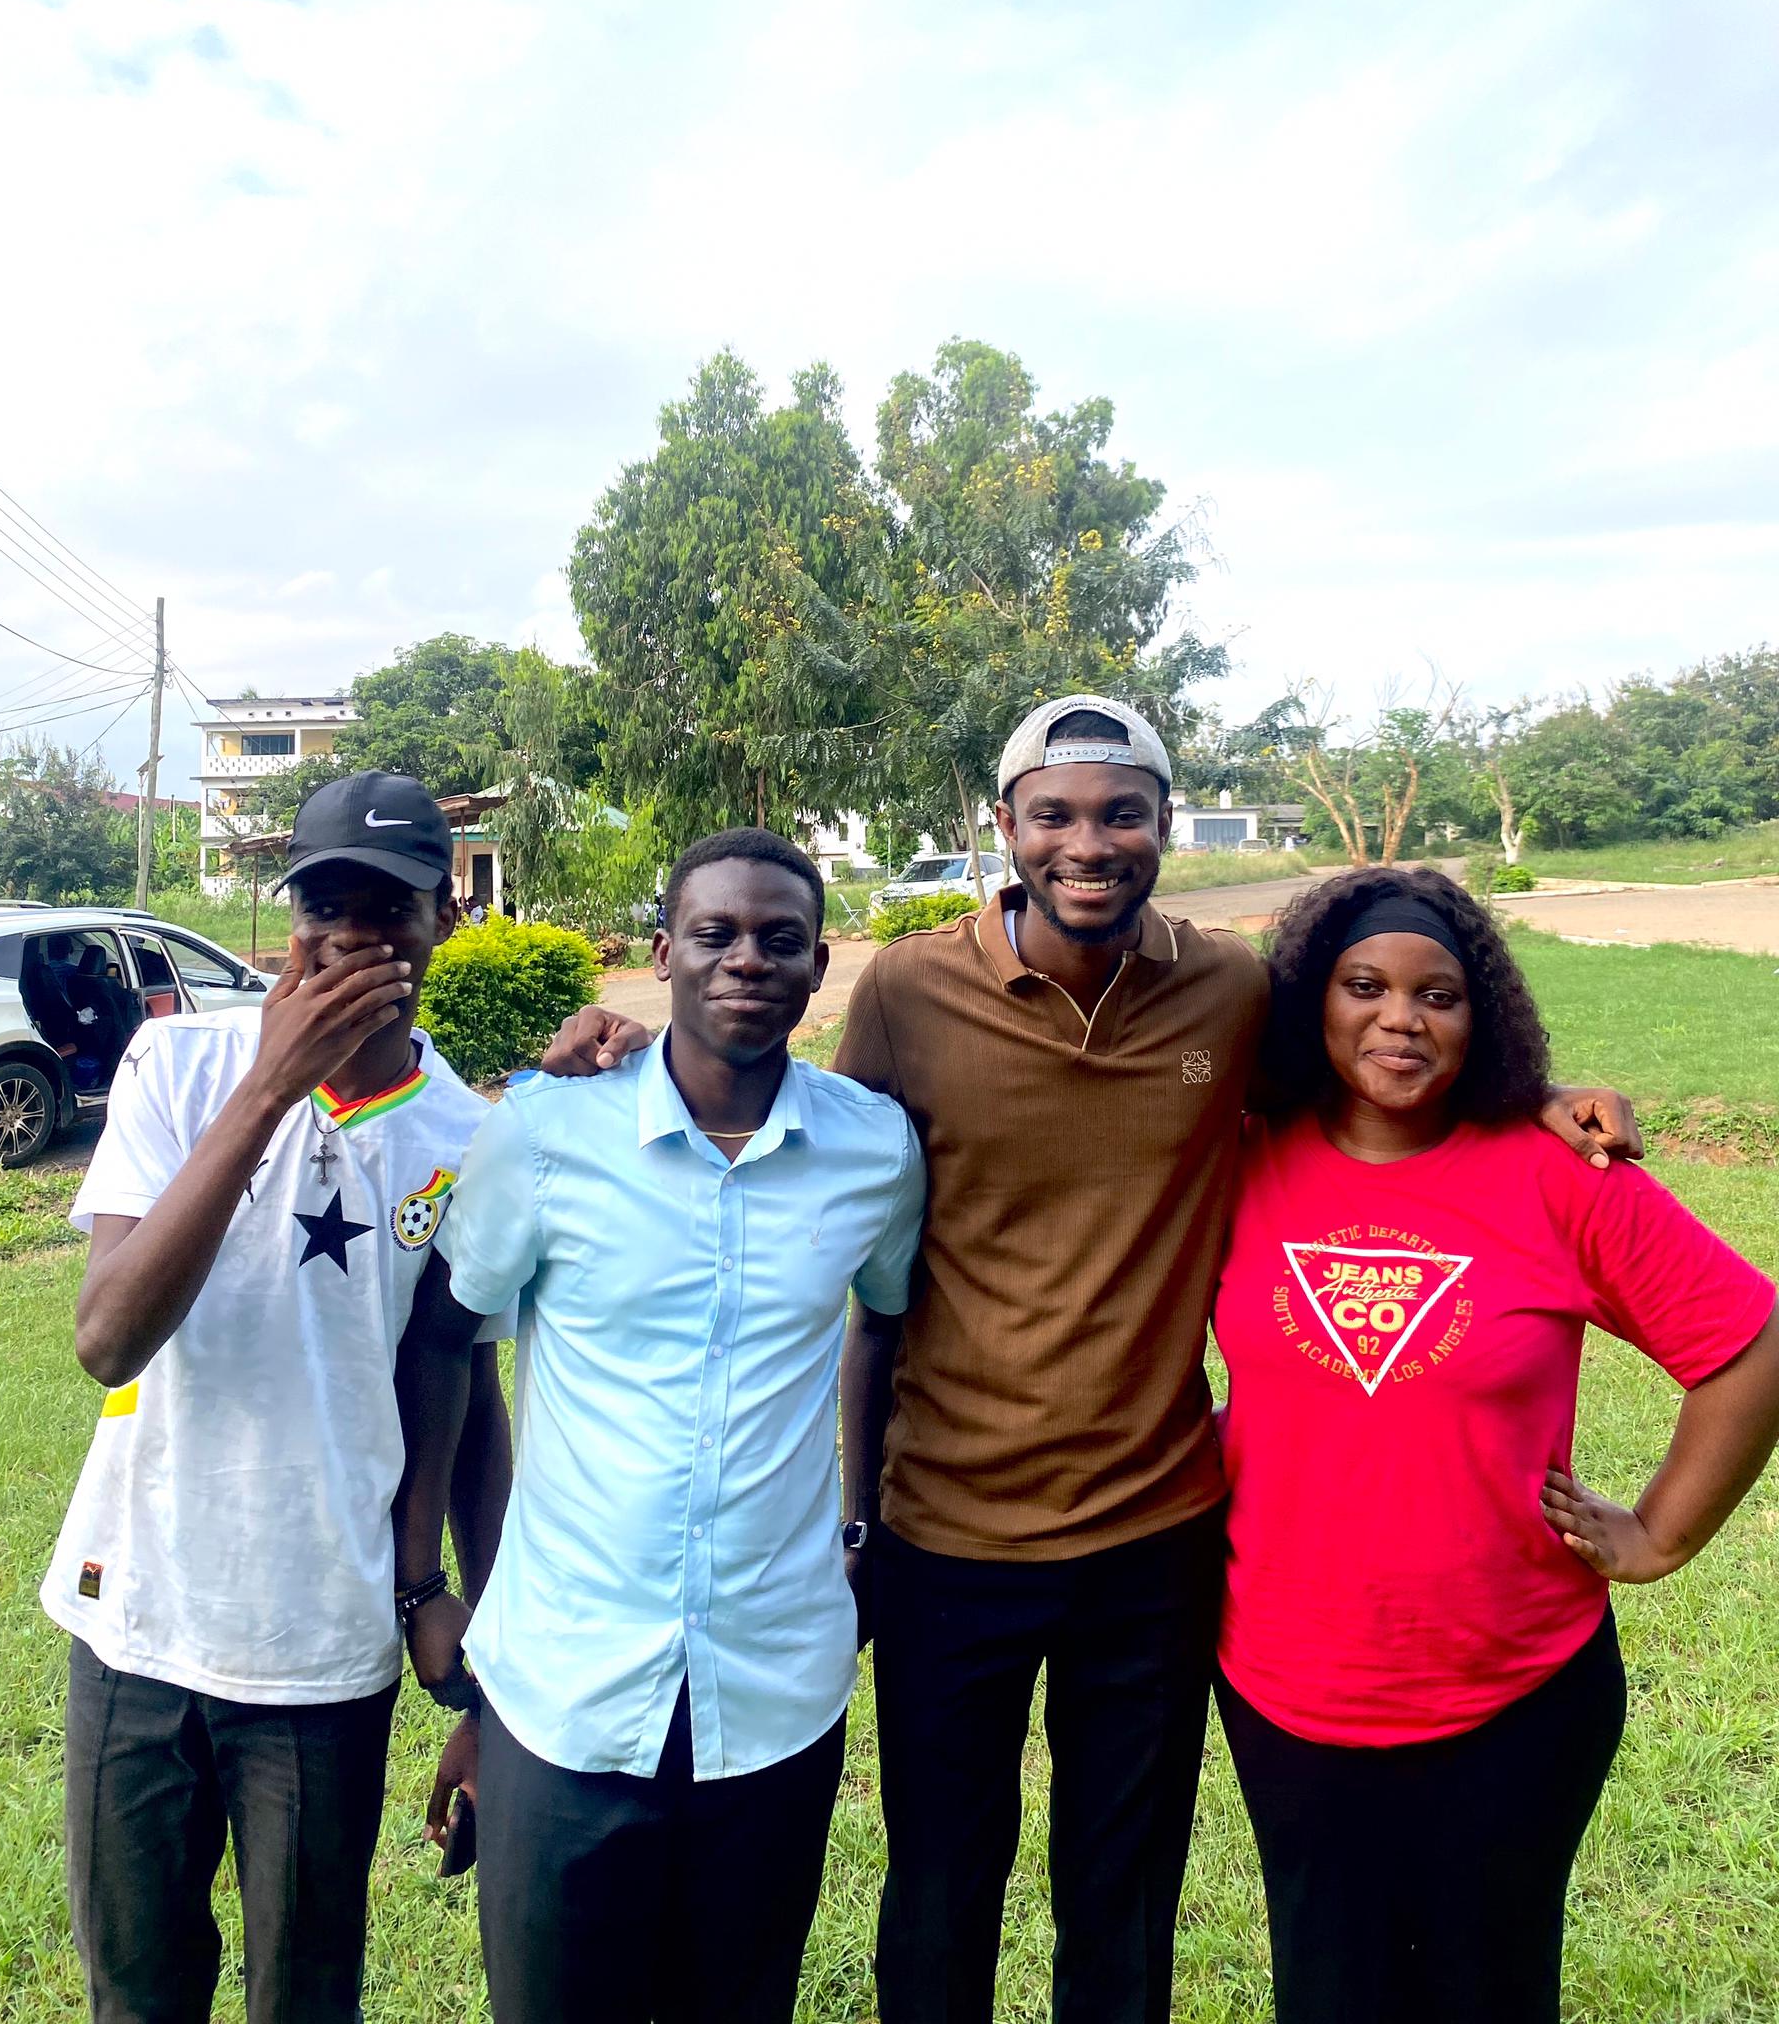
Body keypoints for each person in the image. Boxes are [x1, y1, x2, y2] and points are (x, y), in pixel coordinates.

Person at [540, 696, 1641, 2023]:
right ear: (1003, 827)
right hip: (949, 1535)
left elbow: (1382, 1049)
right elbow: (801, 1124)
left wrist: (1540, 1090)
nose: (1089, 844)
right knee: (942, 1892)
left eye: (1122, 813)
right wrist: (620, 1058)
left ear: (1162, 825)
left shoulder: (1228, 989)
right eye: (1053, 815)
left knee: (1120, 1901)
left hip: (1156, 1538)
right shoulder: (907, 991)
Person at [1211, 867, 1779, 2024]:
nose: (1401, 1019)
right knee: (1328, 1987)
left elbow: (1750, 1343)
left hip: (1514, 1688)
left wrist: (1663, 1529)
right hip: (1284, 1682)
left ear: (1487, 1018)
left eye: (1441, 995)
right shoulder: (1237, 1153)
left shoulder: (1558, 1175)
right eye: (1364, 986)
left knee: (1490, 1990)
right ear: (1313, 1000)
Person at [392, 826, 925, 2024]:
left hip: (775, 1685)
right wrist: (422, 1582)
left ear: (819, 963)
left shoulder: (871, 1151)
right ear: (662, 953)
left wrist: (861, 1523)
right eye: (716, 934)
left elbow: (882, 1327)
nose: (748, 960)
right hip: (564, 1688)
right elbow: (445, 1339)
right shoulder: (544, 1136)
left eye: (780, 939)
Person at [40, 772, 509, 2024]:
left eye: (390, 906)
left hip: (322, 1650)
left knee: (304, 1996)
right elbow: (107, 1337)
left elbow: (462, 1385)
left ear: (443, 918)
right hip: (135, 1620)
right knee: (136, 1995)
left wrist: (468, 1612)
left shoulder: (468, 1138)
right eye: (325, 902)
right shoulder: (180, 1066)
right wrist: (267, 1089)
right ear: (287, 914)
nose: (355, 933)